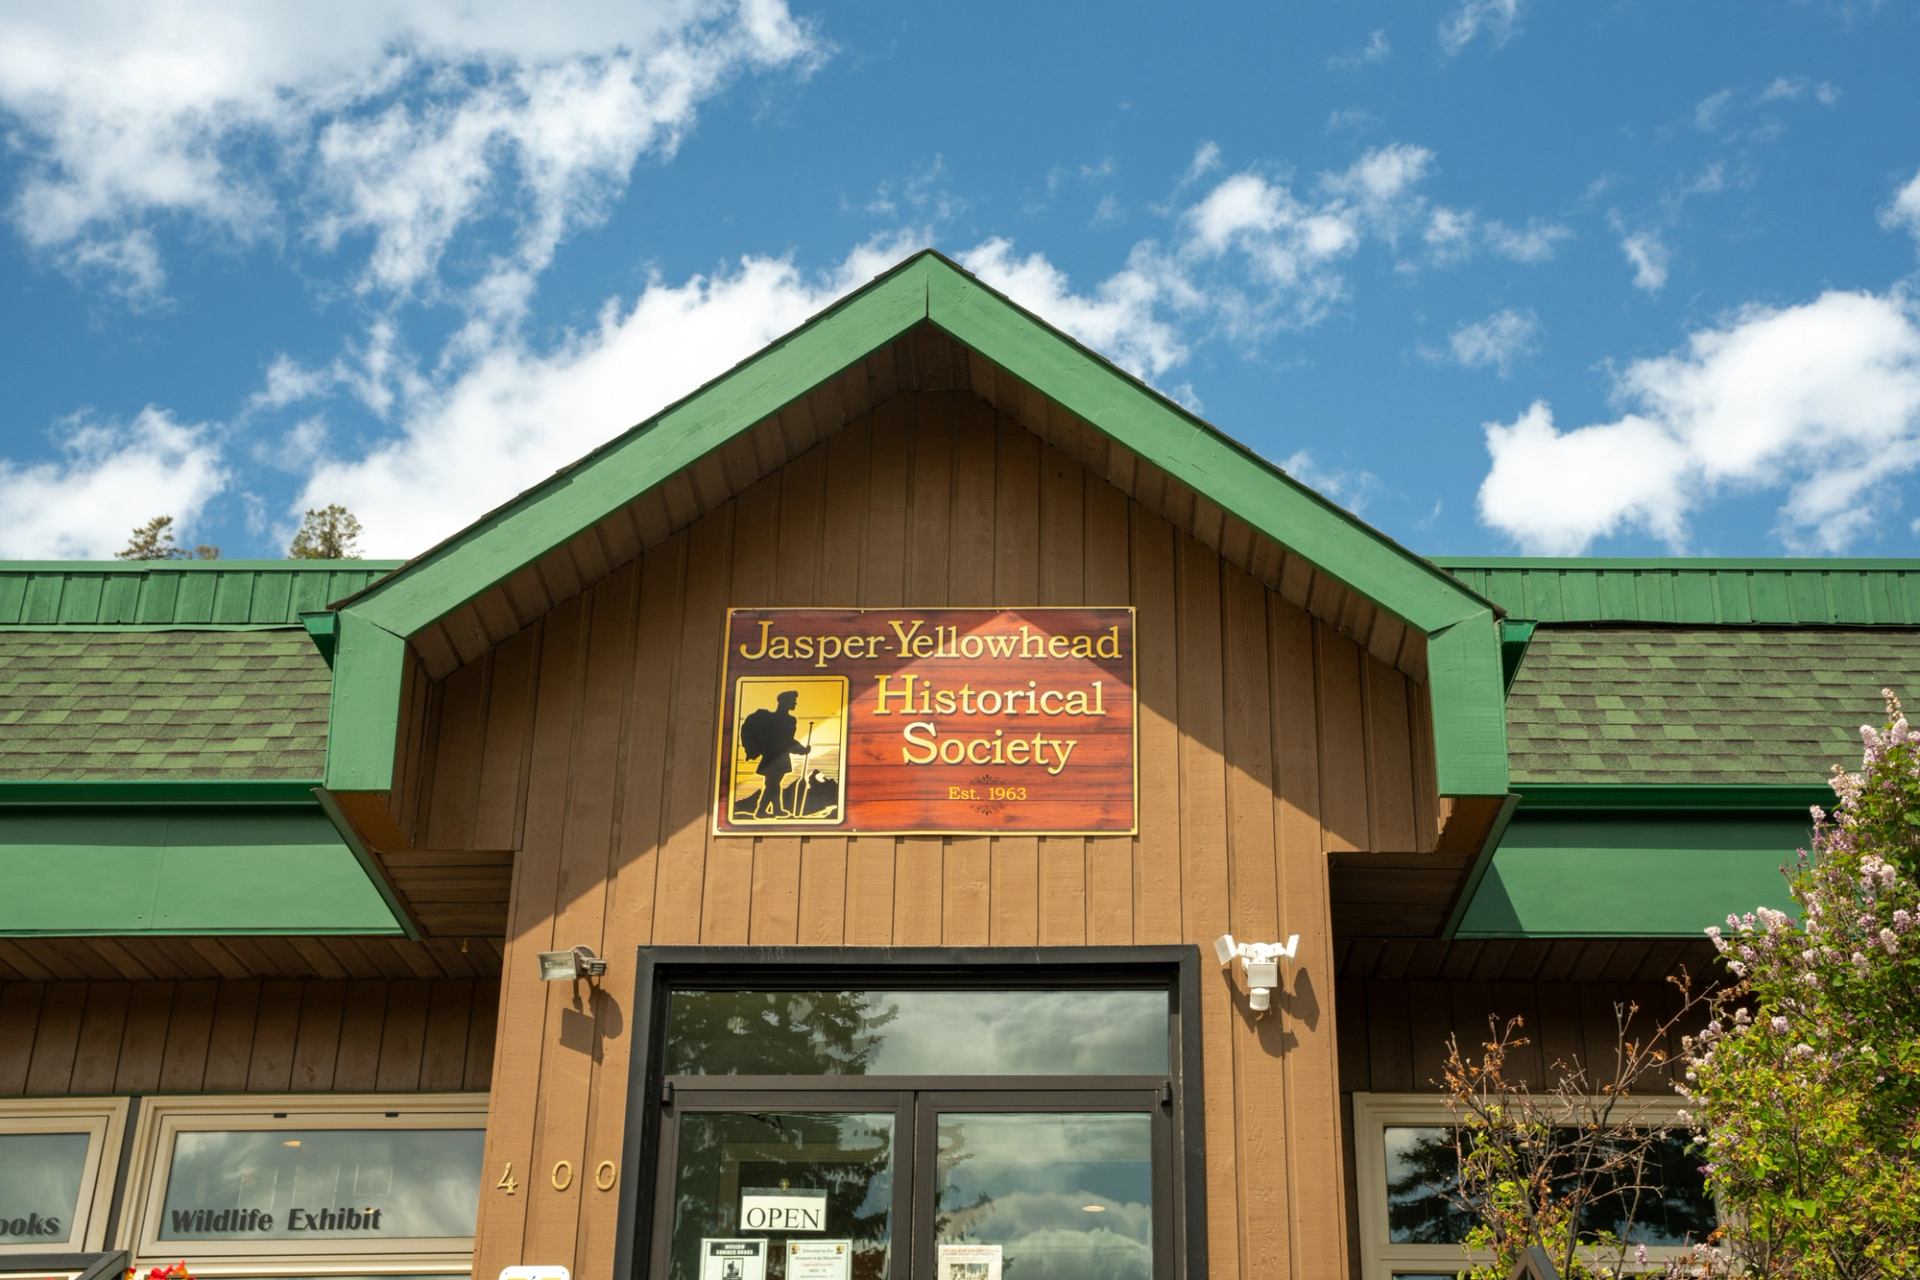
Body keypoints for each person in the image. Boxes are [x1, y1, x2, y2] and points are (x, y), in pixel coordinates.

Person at [739, 690, 810, 818]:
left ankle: (776, 810)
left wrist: (802, 749)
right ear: (784, 702)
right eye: (793, 700)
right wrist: (802, 750)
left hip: (776, 758)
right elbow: (788, 741)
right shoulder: (783, 720)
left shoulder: (788, 720)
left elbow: (789, 741)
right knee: (773, 784)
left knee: (773, 783)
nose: (795, 703)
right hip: (774, 758)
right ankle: (761, 811)